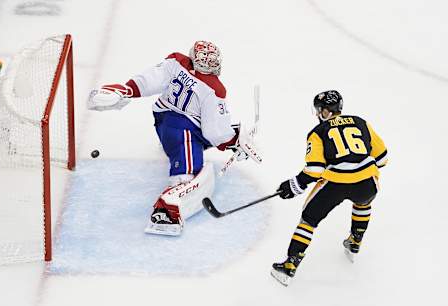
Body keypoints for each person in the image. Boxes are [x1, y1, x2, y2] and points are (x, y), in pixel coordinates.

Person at [87, 40, 260, 236]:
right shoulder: (214, 88)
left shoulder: (177, 61)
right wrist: (231, 142)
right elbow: (215, 132)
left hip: (162, 122)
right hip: (183, 133)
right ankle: (165, 212)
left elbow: (148, 81)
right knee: (187, 175)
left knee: (184, 140)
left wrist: (126, 90)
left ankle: (174, 151)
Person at [271, 90, 388, 286]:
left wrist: (294, 185)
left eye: (319, 110)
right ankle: (355, 241)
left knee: (308, 219)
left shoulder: (318, 132)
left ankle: (290, 265)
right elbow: (382, 158)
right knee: (363, 202)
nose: (318, 114)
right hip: (368, 182)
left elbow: (315, 170)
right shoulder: (360, 121)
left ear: (325, 112)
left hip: (335, 184)